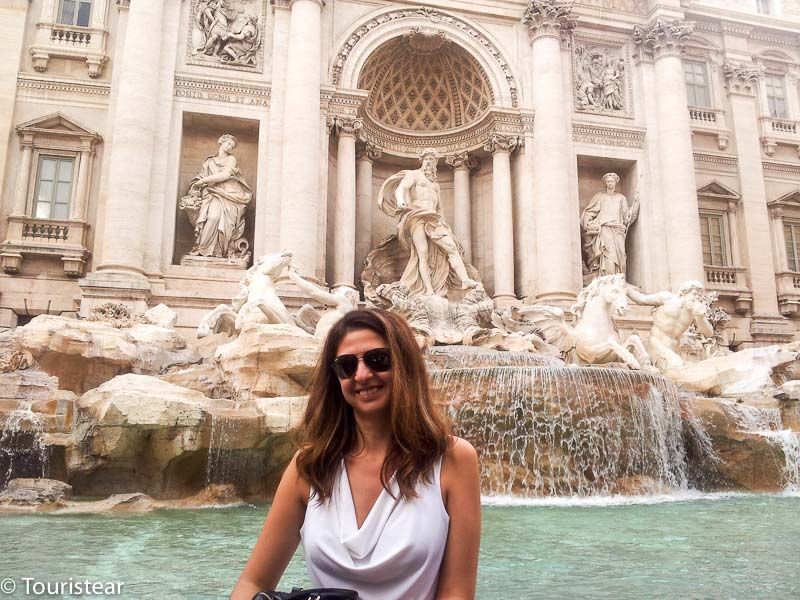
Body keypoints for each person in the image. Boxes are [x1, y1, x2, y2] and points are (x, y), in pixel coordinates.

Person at [231, 309, 481, 600]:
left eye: (378, 359)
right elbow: (251, 583)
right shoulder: (309, 466)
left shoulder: (453, 460)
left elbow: (457, 593)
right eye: (346, 366)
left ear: (404, 364)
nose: (362, 375)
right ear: (335, 378)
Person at [377, 149, 479, 297]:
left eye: (432, 160)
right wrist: (401, 201)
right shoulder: (414, 175)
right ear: (422, 160)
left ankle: (465, 280)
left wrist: (445, 226)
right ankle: (428, 289)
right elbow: (401, 189)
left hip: (434, 218)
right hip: (416, 215)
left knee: (451, 247)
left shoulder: (435, 185)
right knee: (422, 253)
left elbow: (440, 208)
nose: (429, 162)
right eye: (427, 159)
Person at [185, 134, 252, 258]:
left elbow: (225, 175)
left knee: (216, 218)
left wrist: (203, 181)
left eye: (232, 146)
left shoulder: (231, 159)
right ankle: (202, 249)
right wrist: (198, 184)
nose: (230, 147)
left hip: (229, 195)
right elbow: (199, 177)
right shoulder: (209, 161)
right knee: (213, 217)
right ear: (221, 142)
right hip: (211, 194)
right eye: (228, 144)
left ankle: (219, 251)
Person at [626, 280, 714, 371]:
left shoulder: (695, 312)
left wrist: (700, 318)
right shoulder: (667, 298)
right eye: (694, 294)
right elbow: (641, 299)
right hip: (656, 344)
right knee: (677, 366)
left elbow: (709, 333)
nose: (697, 298)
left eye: (699, 296)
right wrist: (624, 286)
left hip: (674, 350)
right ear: (684, 292)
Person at [580, 172, 639, 278]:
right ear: (605, 183)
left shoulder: (621, 198)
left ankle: (619, 278)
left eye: (612, 181)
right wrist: (588, 223)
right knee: (608, 255)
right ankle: (608, 278)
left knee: (621, 256)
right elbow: (589, 211)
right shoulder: (600, 197)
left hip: (618, 230)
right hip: (605, 228)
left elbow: (627, 217)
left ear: (616, 182)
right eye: (608, 181)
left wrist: (636, 203)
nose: (610, 183)